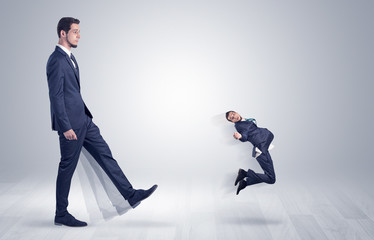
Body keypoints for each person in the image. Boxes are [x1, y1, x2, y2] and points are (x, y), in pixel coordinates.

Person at [46, 17, 157, 227]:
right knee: (67, 167)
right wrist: (65, 126)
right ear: (63, 33)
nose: (79, 35)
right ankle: (61, 213)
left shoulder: (71, 58)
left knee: (105, 155)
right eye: (75, 31)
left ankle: (130, 194)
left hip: (85, 120)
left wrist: (83, 118)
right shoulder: (56, 60)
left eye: (79, 31)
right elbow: (56, 96)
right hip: (71, 125)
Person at [226, 111, 276, 195]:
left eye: (233, 114)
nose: (234, 117)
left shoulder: (244, 121)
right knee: (271, 179)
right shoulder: (240, 126)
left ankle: (245, 182)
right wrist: (240, 137)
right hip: (261, 150)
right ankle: (245, 174)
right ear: (232, 122)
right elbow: (244, 135)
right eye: (231, 118)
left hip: (263, 148)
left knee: (269, 176)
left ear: (236, 112)